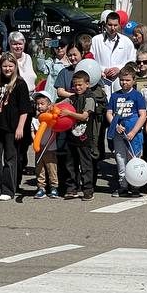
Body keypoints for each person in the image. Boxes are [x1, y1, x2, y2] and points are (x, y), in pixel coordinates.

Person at [0, 53, 30, 201]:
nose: (7, 69)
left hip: (12, 126)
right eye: (4, 66)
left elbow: (25, 109)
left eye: (10, 66)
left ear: (15, 67)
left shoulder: (20, 84)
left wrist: (20, 127)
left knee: (11, 158)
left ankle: (8, 189)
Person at [106, 65, 147, 197]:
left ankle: (135, 186)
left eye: (127, 80)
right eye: (122, 80)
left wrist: (134, 131)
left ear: (134, 81)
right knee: (120, 159)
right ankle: (123, 185)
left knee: (133, 159)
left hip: (133, 134)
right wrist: (115, 124)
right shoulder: (114, 96)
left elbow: (142, 115)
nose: (124, 82)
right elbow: (109, 113)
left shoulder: (137, 95)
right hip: (119, 133)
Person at [62, 69, 97, 201]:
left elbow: (84, 116)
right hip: (71, 137)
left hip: (85, 138)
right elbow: (61, 105)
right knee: (71, 164)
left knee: (86, 165)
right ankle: (72, 188)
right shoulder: (72, 98)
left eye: (80, 85)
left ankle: (88, 190)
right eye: (75, 85)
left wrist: (69, 114)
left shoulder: (90, 98)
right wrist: (51, 106)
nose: (77, 87)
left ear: (87, 84)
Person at [91, 12, 136, 86]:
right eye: (110, 25)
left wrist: (119, 69)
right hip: (101, 80)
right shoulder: (96, 40)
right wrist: (103, 69)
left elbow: (132, 61)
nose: (112, 28)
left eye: (115, 25)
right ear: (105, 25)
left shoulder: (126, 41)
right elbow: (91, 60)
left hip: (120, 81)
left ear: (119, 25)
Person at [30, 90, 59, 199]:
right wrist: (36, 143)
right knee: (39, 169)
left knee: (52, 168)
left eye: (42, 104)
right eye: (37, 104)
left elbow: (54, 133)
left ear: (49, 105)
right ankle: (41, 188)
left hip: (50, 148)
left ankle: (54, 187)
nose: (39, 106)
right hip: (39, 149)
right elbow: (33, 132)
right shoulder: (34, 120)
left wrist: (47, 144)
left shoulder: (52, 118)